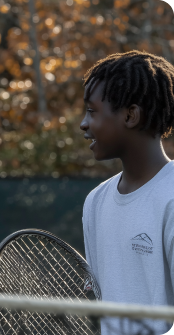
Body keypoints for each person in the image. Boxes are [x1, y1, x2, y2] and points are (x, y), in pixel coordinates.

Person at [80, 50, 174, 335]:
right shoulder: (95, 201)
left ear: (131, 115)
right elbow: (99, 302)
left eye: (92, 111)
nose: (84, 123)